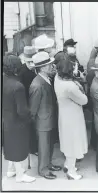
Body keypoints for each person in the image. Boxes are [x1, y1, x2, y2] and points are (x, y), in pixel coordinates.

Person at [2, 54, 36, 183]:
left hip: (6, 119)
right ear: (16, 67)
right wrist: (30, 116)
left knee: (10, 145)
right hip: (18, 123)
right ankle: (20, 175)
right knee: (19, 147)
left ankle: (11, 170)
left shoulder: (3, 80)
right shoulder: (18, 86)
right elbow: (22, 110)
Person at [29, 52, 62, 180]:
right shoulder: (37, 84)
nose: (51, 66)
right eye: (49, 65)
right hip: (42, 121)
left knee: (49, 144)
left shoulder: (45, 79)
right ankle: (43, 170)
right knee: (43, 146)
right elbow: (33, 108)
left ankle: (48, 164)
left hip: (48, 119)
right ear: (42, 68)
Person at [54, 59, 88, 180]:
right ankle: (71, 171)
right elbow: (84, 100)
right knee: (74, 142)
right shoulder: (70, 87)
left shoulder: (57, 79)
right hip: (73, 116)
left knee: (67, 140)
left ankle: (68, 164)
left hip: (64, 114)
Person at [18, 46, 38, 155]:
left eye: (33, 61)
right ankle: (32, 148)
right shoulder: (22, 72)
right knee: (30, 127)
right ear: (25, 60)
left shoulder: (33, 69)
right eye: (29, 62)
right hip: (27, 101)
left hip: (32, 100)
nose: (32, 64)